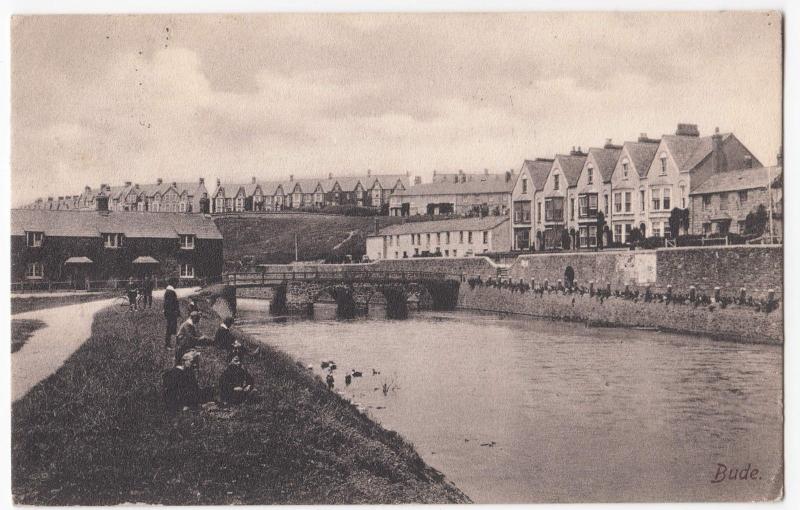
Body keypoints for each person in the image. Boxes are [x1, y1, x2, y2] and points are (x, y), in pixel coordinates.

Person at [163, 279, 180, 348]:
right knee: (170, 328)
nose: (177, 284)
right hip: (171, 313)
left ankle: (169, 344)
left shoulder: (169, 291)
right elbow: (169, 304)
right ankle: (167, 345)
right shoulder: (170, 292)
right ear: (173, 283)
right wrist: (174, 312)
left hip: (170, 313)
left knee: (170, 328)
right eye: (176, 283)